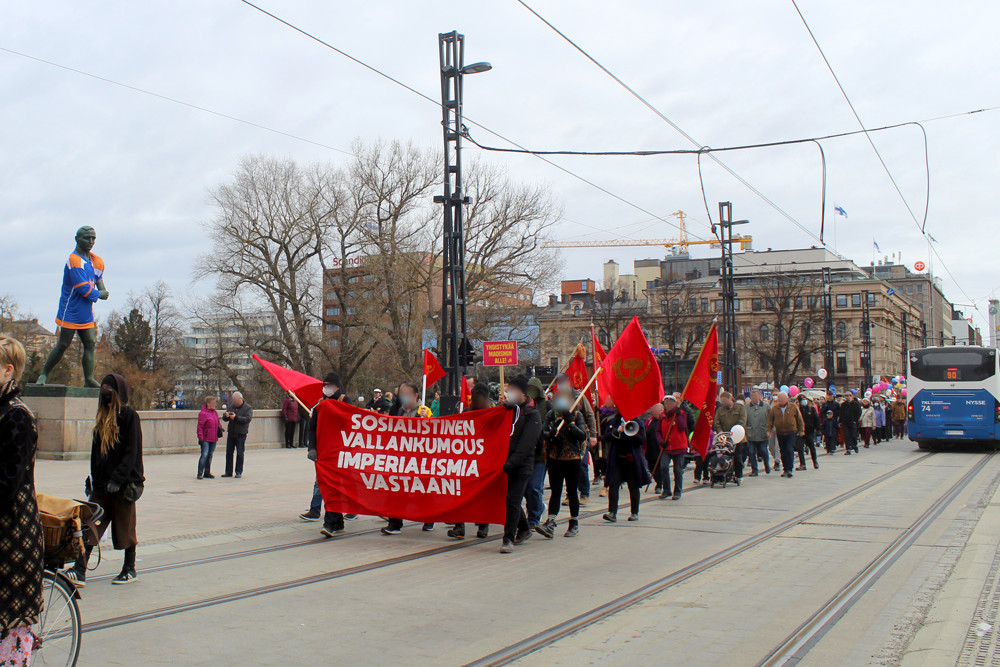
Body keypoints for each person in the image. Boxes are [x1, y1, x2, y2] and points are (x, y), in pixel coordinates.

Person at [65, 374, 144, 586]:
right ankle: (80, 568)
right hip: (101, 484)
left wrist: (118, 479)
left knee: (124, 526)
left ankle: (129, 568)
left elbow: (131, 453)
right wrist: (93, 479)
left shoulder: (129, 416)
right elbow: (96, 453)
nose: (105, 390)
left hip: (124, 484)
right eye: (104, 387)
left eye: (110, 387)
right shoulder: (102, 417)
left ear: (119, 392)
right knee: (90, 524)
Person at [0, 336, 43, 662]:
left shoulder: (17, 416)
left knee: (10, 629)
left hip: (11, 532)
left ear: (7, 370)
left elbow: (8, 482)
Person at [36, 226, 109, 387]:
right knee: (63, 344)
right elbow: (83, 288)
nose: (90, 242)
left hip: (86, 312)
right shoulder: (74, 260)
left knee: (90, 343)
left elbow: (99, 280)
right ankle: (44, 374)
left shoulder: (96, 261)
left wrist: (102, 289)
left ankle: (88, 379)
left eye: (93, 238)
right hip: (70, 310)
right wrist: (100, 294)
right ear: (77, 239)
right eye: (86, 238)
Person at [302, 372, 350, 537]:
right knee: (328, 486)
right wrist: (312, 448)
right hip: (324, 453)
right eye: (325, 384)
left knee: (334, 487)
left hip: (341, 452)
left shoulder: (345, 401)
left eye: (329, 384)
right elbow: (312, 428)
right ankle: (336, 522)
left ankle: (330, 523)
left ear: (337, 386)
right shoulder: (320, 404)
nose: (326, 388)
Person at [382, 382, 434, 535]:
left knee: (422, 491)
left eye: (406, 393)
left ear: (416, 395)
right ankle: (394, 523)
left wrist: (426, 420)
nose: (403, 397)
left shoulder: (425, 411)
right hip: (401, 458)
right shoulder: (399, 411)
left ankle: (429, 518)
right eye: (401, 393)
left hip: (419, 459)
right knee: (396, 489)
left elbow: (435, 434)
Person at [535, 387, 587, 539]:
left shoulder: (577, 415)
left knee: (571, 492)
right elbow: (543, 434)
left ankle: (574, 522)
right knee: (556, 491)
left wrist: (570, 423)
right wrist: (550, 434)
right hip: (555, 458)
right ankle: (550, 522)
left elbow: (582, 435)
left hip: (572, 459)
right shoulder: (552, 415)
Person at [499, 376, 542, 554]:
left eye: (512, 391)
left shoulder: (533, 415)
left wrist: (512, 462)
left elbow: (527, 444)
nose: (508, 394)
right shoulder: (509, 412)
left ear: (522, 394)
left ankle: (508, 538)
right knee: (509, 500)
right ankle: (524, 528)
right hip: (505, 462)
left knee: (513, 500)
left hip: (521, 465)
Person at [448, 383, 492, 540]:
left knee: (483, 495)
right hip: (467, 460)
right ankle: (459, 525)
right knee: (462, 492)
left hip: (485, 460)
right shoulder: (467, 412)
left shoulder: (493, 413)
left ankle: (483, 525)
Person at [603, 410, 651, 523]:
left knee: (633, 486)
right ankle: (612, 512)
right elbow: (606, 436)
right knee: (613, 484)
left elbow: (642, 439)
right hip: (617, 459)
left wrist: (630, 432)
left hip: (631, 460)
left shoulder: (637, 422)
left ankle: (634, 512)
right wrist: (617, 430)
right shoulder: (614, 421)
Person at [524, 377, 549, 531]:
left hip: (541, 455)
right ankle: (538, 506)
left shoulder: (546, 406)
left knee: (535, 487)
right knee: (526, 489)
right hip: (525, 454)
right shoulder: (522, 406)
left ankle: (533, 519)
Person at [767, 391, 804, 479]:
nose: (780, 400)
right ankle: (785, 468)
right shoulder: (775, 408)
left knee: (789, 449)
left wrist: (801, 430)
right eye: (779, 399)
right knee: (783, 451)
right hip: (780, 432)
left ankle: (789, 469)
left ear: (786, 399)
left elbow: (799, 419)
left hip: (791, 432)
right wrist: (769, 430)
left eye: (782, 398)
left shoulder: (793, 407)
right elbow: (770, 420)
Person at [658, 395, 689, 500]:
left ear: (675, 404)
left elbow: (682, 427)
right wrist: (661, 441)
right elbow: (657, 431)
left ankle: (678, 491)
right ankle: (666, 490)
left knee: (677, 469)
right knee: (664, 467)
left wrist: (679, 416)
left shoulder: (681, 414)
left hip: (679, 446)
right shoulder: (662, 416)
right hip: (667, 447)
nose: (668, 405)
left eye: (671, 403)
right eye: (666, 403)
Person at [713, 392, 747, 480]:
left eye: (725, 401)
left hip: (738, 437)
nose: (723, 403)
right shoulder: (720, 410)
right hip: (725, 438)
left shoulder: (740, 408)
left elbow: (742, 421)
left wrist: (735, 432)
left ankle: (738, 475)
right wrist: (721, 433)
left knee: (737, 457)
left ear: (730, 399)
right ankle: (723, 473)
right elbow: (717, 423)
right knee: (723, 456)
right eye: (722, 401)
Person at [221, 391, 253, 478]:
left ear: (241, 399)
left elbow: (247, 419)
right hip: (231, 433)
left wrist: (236, 418)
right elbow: (224, 419)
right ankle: (228, 471)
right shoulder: (231, 407)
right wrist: (226, 416)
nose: (234, 402)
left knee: (240, 453)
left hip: (241, 434)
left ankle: (238, 471)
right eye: (233, 400)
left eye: (235, 400)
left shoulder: (248, 408)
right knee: (229, 453)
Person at [745, 389, 770, 476]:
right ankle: (754, 470)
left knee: (763, 450)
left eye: (755, 396)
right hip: (751, 434)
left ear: (760, 396)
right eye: (752, 396)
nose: (754, 398)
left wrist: (769, 430)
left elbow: (770, 419)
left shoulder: (766, 406)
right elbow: (745, 420)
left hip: (763, 433)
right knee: (751, 452)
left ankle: (767, 465)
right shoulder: (747, 407)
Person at [196, 395, 221, 479]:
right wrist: (200, 437)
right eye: (213, 403)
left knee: (210, 455)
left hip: (213, 437)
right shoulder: (203, 413)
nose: (215, 404)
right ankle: (200, 472)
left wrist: (220, 427)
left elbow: (217, 422)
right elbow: (200, 426)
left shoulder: (215, 413)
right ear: (208, 404)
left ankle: (207, 472)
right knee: (204, 454)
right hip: (206, 438)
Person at [644, 403, 666, 493]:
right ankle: (658, 481)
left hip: (660, 448)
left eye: (655, 410)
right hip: (650, 447)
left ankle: (660, 484)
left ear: (661, 411)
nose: (653, 412)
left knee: (660, 466)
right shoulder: (649, 420)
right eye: (653, 410)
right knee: (651, 466)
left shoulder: (664, 419)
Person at [796, 396, 820, 470]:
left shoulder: (811, 409)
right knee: (800, 448)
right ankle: (802, 464)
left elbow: (816, 419)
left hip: (809, 431)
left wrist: (817, 429)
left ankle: (815, 461)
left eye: (805, 400)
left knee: (811, 446)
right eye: (802, 400)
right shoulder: (798, 410)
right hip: (800, 431)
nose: (804, 401)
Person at [840, 391, 862, 455]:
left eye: (848, 396)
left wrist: (855, 420)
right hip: (845, 422)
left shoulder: (856, 404)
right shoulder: (843, 404)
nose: (847, 397)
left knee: (853, 435)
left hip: (853, 422)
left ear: (851, 396)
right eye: (846, 396)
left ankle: (855, 445)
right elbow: (841, 413)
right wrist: (841, 421)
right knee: (846, 436)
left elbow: (859, 412)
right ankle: (848, 449)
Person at [819, 390, 841, 454]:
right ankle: (828, 447)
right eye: (828, 395)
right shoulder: (824, 404)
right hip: (826, 422)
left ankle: (832, 447)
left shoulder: (836, 404)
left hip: (834, 421)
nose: (829, 397)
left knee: (833, 435)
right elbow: (821, 413)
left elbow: (839, 412)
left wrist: (838, 420)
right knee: (827, 436)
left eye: (831, 395)